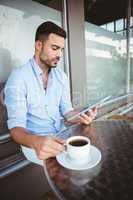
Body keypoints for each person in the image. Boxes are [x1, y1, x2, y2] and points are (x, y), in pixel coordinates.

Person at [4, 21, 97, 160]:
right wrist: (36, 141)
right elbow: (16, 129)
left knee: (91, 155)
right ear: (39, 45)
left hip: (62, 137)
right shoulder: (18, 77)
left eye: (61, 49)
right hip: (35, 145)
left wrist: (81, 116)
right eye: (55, 48)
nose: (59, 54)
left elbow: (67, 111)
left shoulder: (61, 76)